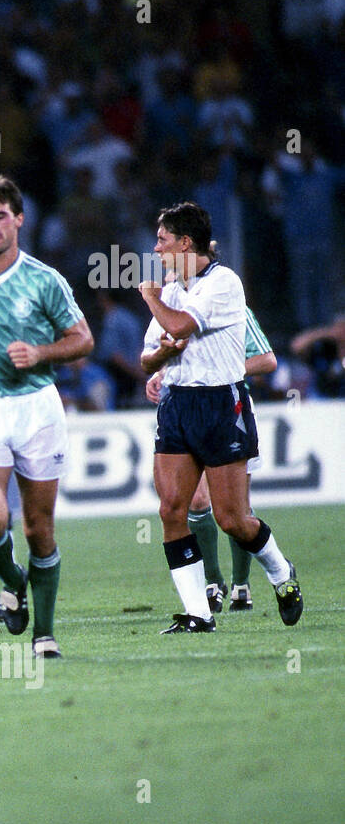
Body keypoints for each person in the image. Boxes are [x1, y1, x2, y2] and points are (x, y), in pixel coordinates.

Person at [0, 177, 94, 658]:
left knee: (37, 529)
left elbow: (83, 340)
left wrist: (42, 351)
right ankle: (14, 580)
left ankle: (43, 634)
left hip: (36, 408)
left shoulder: (44, 279)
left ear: (19, 219)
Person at [138, 202, 302, 632]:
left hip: (220, 405)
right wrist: (161, 357)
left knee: (232, 519)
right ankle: (198, 613)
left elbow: (180, 324)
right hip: (177, 405)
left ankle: (281, 572)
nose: (156, 250)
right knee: (173, 509)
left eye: (162, 240)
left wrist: (153, 299)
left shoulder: (222, 283)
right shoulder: (173, 288)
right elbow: (145, 358)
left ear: (185, 243)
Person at [146, 305, 276, 614]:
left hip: (228, 409)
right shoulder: (165, 310)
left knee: (232, 510)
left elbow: (267, 360)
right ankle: (213, 582)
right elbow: (154, 356)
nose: (167, 270)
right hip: (183, 410)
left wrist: (219, 369)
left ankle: (242, 584)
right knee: (196, 501)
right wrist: (158, 373)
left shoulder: (231, 306)